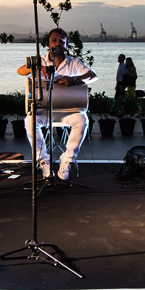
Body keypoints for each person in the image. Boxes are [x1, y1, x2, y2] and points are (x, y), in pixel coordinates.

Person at [17, 28, 97, 180]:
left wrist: (74, 80)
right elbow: (20, 71)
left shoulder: (74, 63)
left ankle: (67, 160)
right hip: (44, 111)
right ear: (48, 43)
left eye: (62, 41)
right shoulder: (39, 60)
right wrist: (38, 67)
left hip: (68, 110)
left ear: (66, 44)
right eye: (54, 40)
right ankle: (43, 161)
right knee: (29, 120)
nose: (57, 44)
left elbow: (93, 75)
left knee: (82, 119)